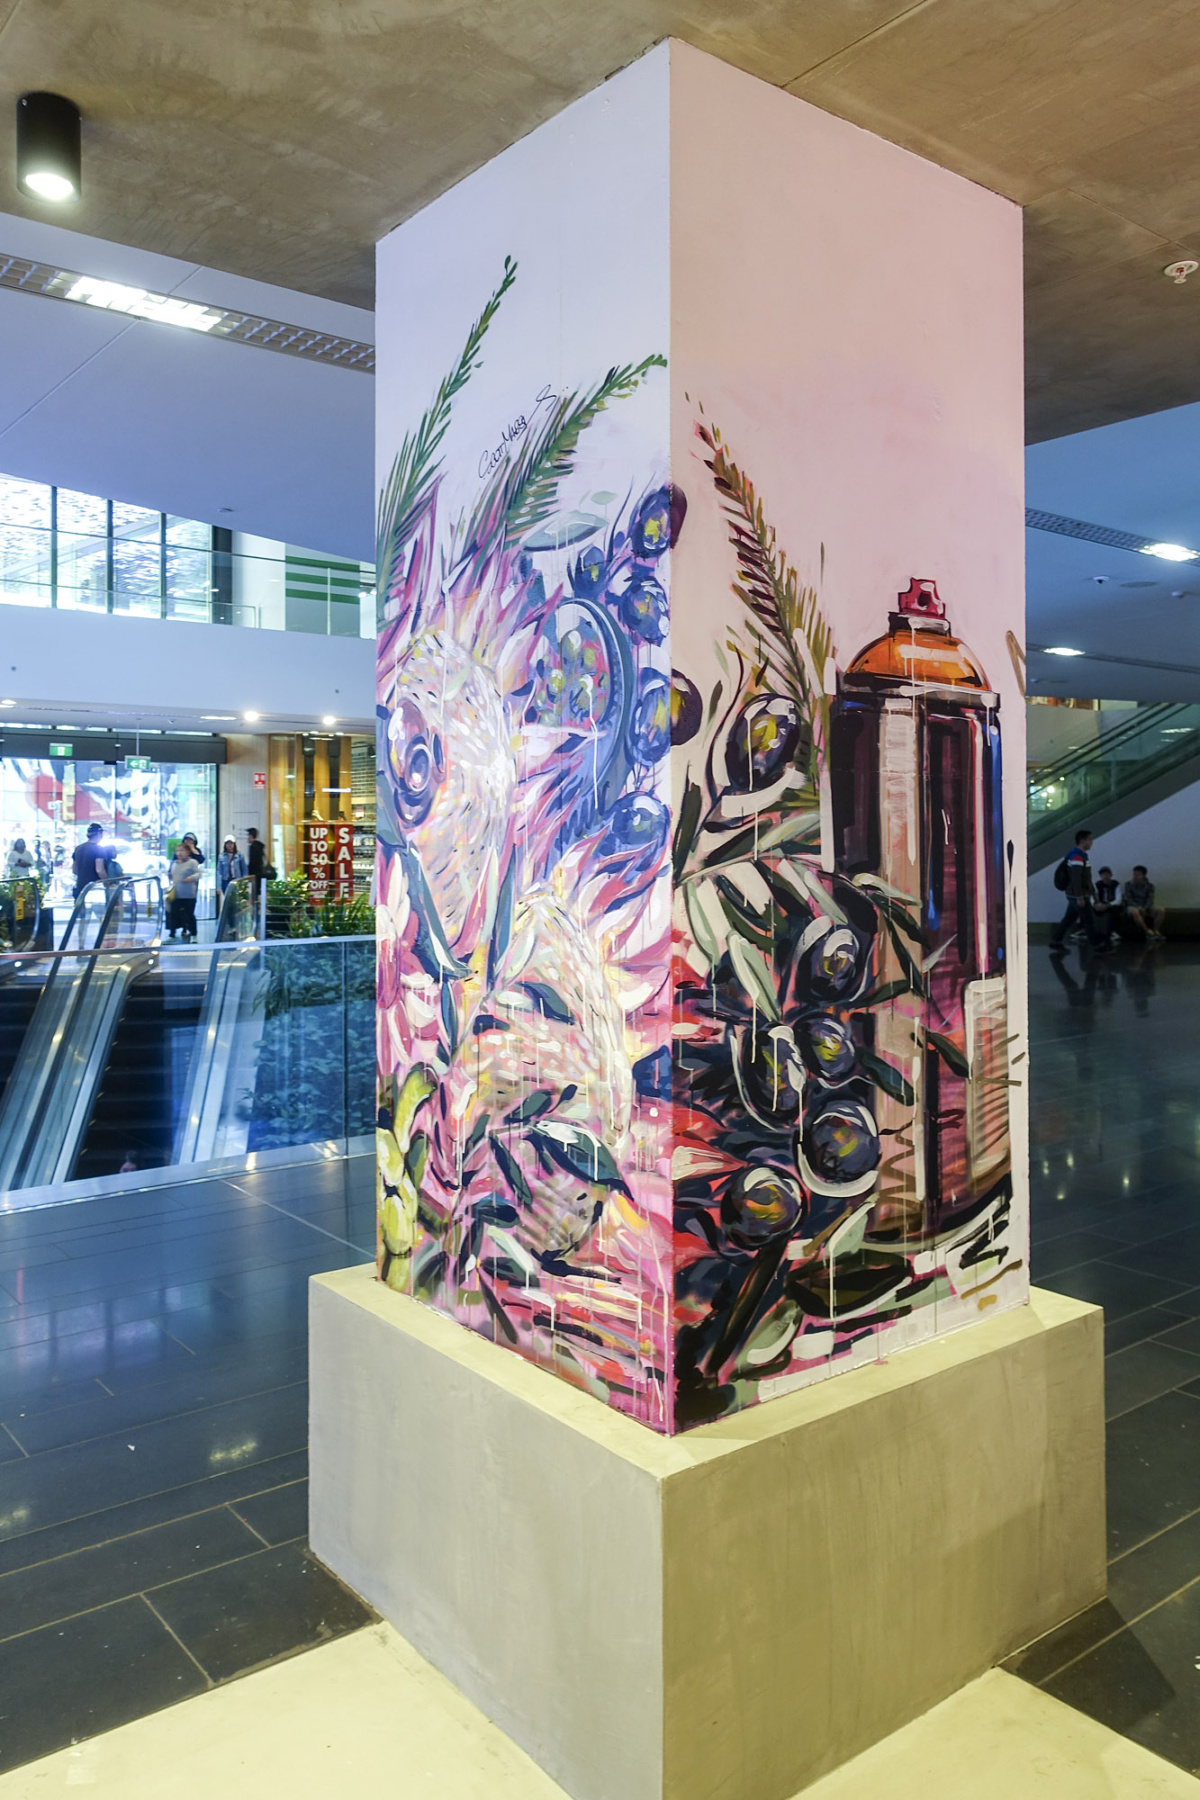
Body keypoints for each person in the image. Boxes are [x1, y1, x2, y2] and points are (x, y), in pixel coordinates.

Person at [1050, 827, 1110, 953]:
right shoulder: (1077, 856)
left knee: (1069, 918)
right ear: (1083, 841)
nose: (1092, 842)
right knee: (1089, 919)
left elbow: (1086, 878)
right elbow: (1076, 878)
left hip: (1075, 894)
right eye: (1090, 839)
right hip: (1078, 894)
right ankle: (1097, 945)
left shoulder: (1079, 855)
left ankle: (1055, 940)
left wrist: (1094, 893)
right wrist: (1079, 896)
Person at [166, 839, 202, 942]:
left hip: (189, 894)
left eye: (182, 851)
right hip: (176, 894)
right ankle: (172, 934)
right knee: (173, 914)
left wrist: (191, 878)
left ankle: (194, 934)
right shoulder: (174, 863)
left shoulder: (192, 862)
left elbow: (198, 874)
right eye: (178, 851)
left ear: (188, 852)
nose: (179, 853)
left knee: (189, 915)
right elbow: (172, 876)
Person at [1123, 865, 1166, 941]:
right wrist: (1139, 908)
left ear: (1143, 876)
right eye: (1134, 874)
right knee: (1135, 911)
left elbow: (1150, 899)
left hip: (1146, 905)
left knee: (1161, 910)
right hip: (1133, 905)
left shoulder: (1150, 886)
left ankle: (1156, 931)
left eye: (1138, 875)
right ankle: (1148, 932)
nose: (1135, 877)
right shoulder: (1128, 885)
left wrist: (1145, 908)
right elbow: (1129, 899)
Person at [72, 823, 108, 898]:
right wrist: (107, 881)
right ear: (99, 834)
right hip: (94, 887)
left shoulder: (78, 848)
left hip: (80, 885)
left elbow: (74, 870)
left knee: (81, 904)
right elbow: (99, 870)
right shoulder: (99, 849)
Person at [1093, 865, 1123, 942]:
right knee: (1086, 909)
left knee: (1117, 909)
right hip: (1100, 905)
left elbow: (1119, 899)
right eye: (1103, 874)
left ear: (1110, 875)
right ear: (1100, 876)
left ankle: (1114, 932)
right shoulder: (1097, 884)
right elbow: (1092, 897)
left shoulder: (1116, 884)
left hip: (1111, 905)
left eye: (1107, 874)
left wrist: (1108, 905)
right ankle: (1085, 930)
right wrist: (1096, 904)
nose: (1105, 876)